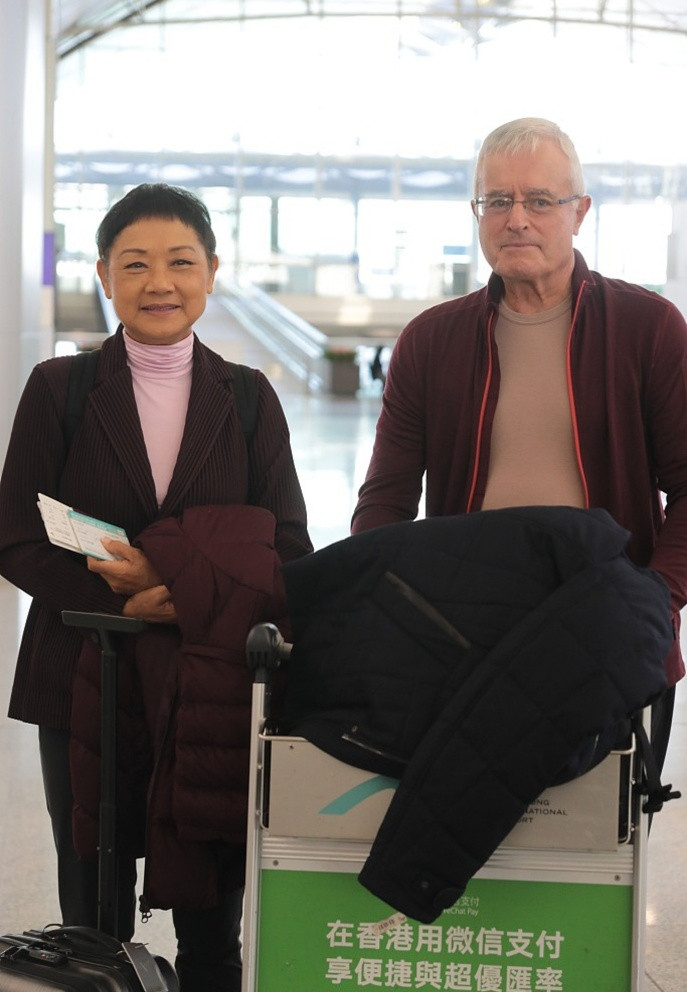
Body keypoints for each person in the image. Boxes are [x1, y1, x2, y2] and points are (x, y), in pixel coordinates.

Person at [0, 182, 312, 991]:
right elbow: (16, 535)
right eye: (135, 264)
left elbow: (287, 548)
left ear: (212, 271)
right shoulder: (60, 390)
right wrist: (126, 603)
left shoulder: (248, 399)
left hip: (209, 678)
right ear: (105, 275)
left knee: (212, 914)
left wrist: (177, 587)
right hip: (83, 671)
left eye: (180, 261)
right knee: (90, 912)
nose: (159, 283)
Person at [351, 117, 687, 769]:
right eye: (497, 200)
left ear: (579, 212)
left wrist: (654, 599)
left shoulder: (646, 329)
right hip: (465, 641)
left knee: (601, 828)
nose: (516, 219)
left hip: (612, 640)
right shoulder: (431, 341)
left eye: (539, 200)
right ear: (476, 212)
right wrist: (387, 608)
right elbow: (386, 499)